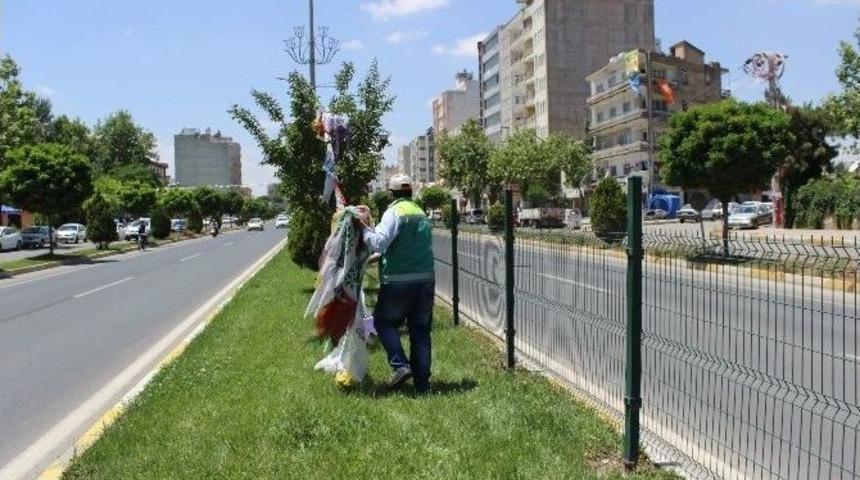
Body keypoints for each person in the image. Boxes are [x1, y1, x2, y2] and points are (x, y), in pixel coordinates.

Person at [358, 174, 435, 393]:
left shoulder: (394, 212)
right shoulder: (420, 213)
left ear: (391, 193)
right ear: (410, 192)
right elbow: (404, 247)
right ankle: (423, 386)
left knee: (383, 322)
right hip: (425, 281)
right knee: (420, 333)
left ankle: (400, 365)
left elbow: (379, 242)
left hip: (399, 282)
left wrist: (364, 227)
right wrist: (374, 260)